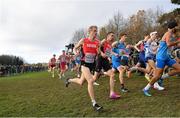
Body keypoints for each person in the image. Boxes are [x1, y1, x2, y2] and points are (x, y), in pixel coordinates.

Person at [65, 25, 103, 111]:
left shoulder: (97, 42)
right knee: (90, 81)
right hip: (84, 63)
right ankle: (94, 103)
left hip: (92, 64)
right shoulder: (83, 40)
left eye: (96, 31)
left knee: (81, 82)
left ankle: (69, 80)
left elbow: (99, 52)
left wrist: (99, 51)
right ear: (89, 32)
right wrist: (76, 53)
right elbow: (75, 48)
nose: (96, 32)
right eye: (94, 31)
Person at [143, 20, 180, 96]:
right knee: (157, 76)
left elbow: (173, 41)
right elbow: (169, 44)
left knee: (179, 69)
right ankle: (146, 88)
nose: (177, 28)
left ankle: (163, 77)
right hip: (161, 57)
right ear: (173, 27)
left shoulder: (171, 33)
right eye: (176, 27)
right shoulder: (168, 33)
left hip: (166, 57)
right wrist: (177, 42)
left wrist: (177, 41)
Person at [93, 32, 121, 99]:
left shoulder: (110, 44)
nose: (112, 37)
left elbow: (109, 52)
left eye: (113, 36)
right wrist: (101, 53)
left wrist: (113, 55)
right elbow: (97, 47)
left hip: (105, 60)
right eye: (111, 35)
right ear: (107, 36)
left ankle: (112, 93)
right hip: (99, 59)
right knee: (94, 78)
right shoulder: (104, 41)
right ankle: (87, 79)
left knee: (112, 75)